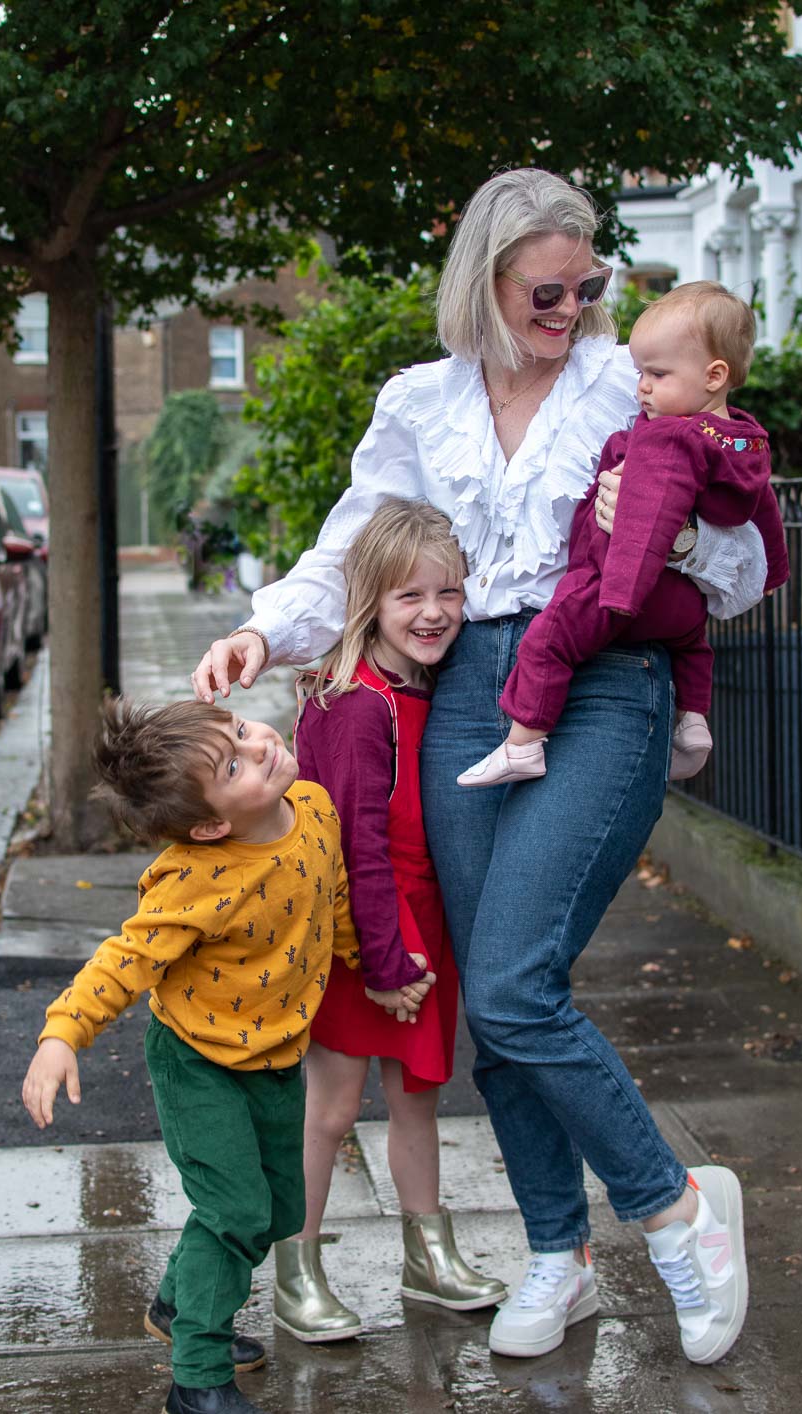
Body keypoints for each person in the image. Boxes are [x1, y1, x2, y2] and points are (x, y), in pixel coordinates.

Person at [193, 169, 761, 1368]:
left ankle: (672, 1209)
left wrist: (665, 524)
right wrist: (262, 631)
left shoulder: (630, 382)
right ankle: (557, 1250)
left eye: (588, 285)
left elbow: (746, 560)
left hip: (600, 679)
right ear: (486, 283)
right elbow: (345, 550)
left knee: (511, 979)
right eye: (548, 289)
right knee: (493, 1000)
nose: (573, 308)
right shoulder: (419, 403)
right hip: (462, 701)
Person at [21, 697, 367, 1414]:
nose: (260, 745)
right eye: (235, 763)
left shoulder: (314, 807)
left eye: (241, 731)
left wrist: (364, 962)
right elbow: (126, 959)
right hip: (198, 1063)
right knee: (235, 1209)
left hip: (275, 1056)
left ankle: (180, 1305)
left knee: (277, 1209)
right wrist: (62, 1034)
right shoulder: (196, 879)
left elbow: (329, 893)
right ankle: (197, 1374)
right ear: (211, 825)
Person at [273, 498, 506, 1343]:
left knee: (417, 1100)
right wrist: (386, 958)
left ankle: (428, 1258)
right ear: (370, 601)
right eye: (410, 597)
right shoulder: (356, 703)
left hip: (422, 926)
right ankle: (294, 1270)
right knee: (331, 1110)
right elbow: (351, 846)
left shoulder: (429, 687)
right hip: (359, 934)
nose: (435, 612)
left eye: (449, 593)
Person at [457, 280, 789, 789]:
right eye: (640, 374)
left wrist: (615, 594)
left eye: (657, 374)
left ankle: (522, 743)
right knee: (694, 646)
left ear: (714, 375)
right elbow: (764, 512)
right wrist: (776, 571)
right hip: (682, 611)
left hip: (625, 595)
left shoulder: (666, 439)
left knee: (550, 640)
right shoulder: (746, 441)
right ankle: (694, 723)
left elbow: (642, 528)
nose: (642, 388)